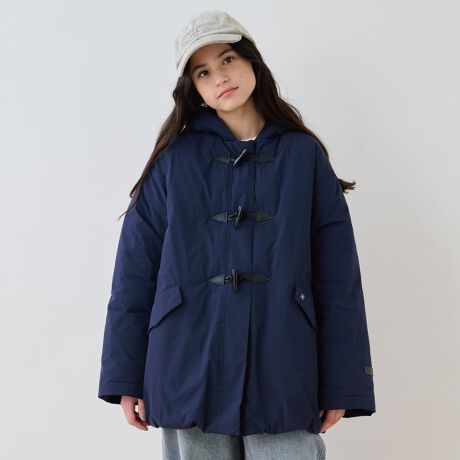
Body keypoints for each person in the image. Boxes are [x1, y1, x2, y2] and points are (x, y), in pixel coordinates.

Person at [97, 9, 376, 460]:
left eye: (227, 59)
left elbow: (339, 278)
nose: (220, 77)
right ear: (194, 88)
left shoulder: (304, 157)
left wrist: (343, 381)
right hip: (187, 364)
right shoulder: (173, 162)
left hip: (283, 365)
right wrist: (124, 377)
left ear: (251, 61)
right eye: (203, 72)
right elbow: (133, 275)